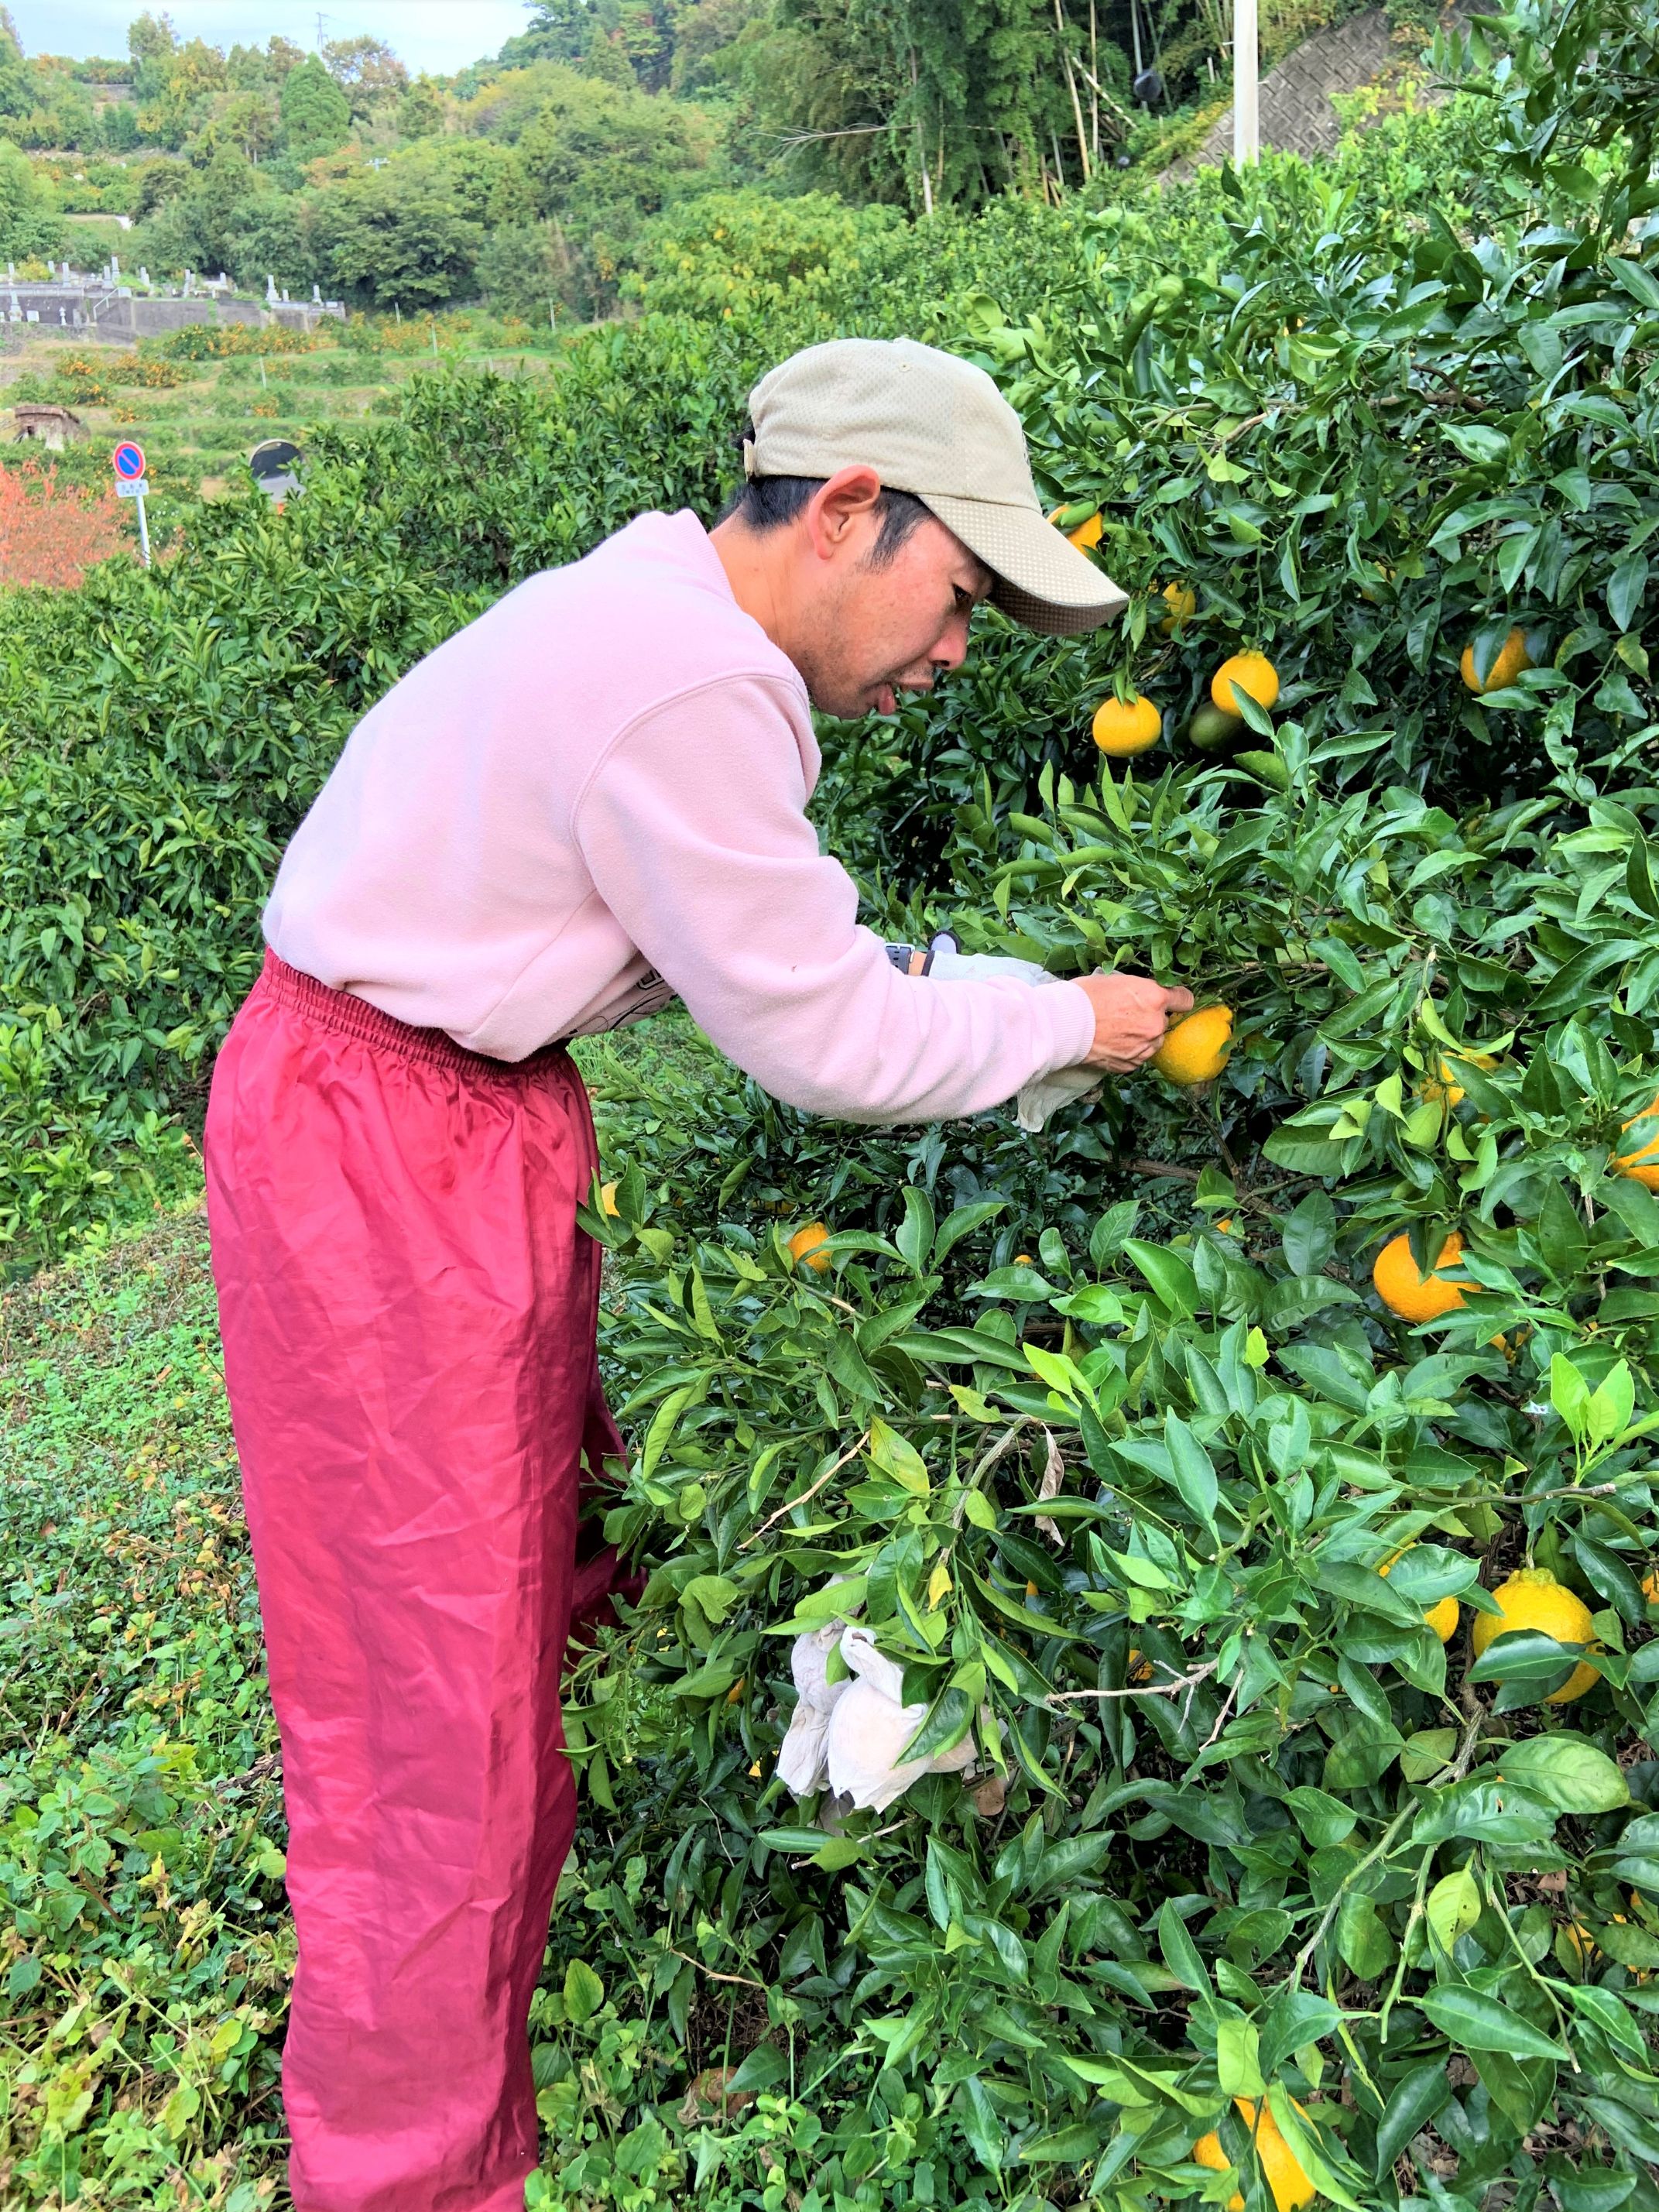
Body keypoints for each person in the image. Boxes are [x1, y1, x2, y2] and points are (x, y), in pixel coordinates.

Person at [204, 335, 1192, 2212]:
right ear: (845, 513)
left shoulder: (654, 615)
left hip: (436, 1122)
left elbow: (806, 954)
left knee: (539, 1561)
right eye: (959, 593)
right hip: (380, 1162)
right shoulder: (685, 687)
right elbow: (827, 1037)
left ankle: (597, 1852)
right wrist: (1067, 1017)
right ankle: (408, 2179)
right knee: (429, 1715)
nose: (955, 648)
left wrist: (1014, 1011)